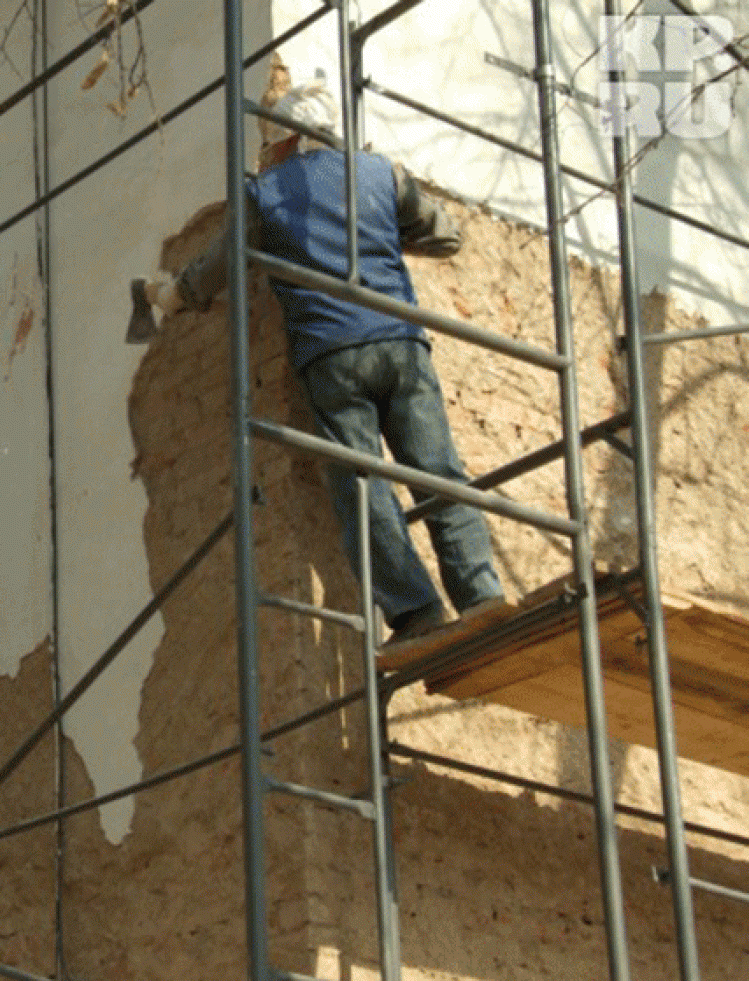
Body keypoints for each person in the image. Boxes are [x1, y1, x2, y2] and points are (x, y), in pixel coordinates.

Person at [137, 81, 503, 645]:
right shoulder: (382, 172)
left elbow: (215, 271)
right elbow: (445, 237)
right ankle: (481, 597)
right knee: (437, 470)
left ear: (283, 141)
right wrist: (374, 229)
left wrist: (168, 295)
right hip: (400, 344)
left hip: (331, 355)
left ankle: (416, 613)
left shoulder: (266, 193)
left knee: (363, 486)